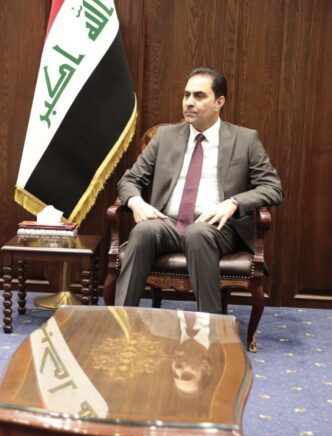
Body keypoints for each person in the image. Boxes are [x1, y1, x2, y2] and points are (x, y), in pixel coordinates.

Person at [115, 67, 283, 314]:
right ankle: (120, 321)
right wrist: (136, 202)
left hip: (217, 228)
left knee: (198, 233)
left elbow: (273, 188)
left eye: (199, 96)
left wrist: (234, 202)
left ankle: (210, 326)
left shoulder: (245, 140)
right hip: (168, 223)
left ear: (219, 102)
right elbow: (129, 180)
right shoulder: (165, 137)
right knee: (143, 230)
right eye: (186, 95)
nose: (189, 102)